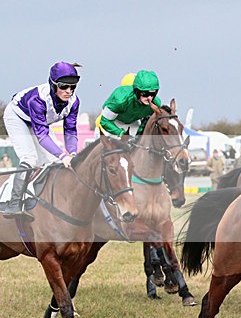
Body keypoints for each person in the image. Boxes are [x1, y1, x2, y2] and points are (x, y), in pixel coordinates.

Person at [3, 62, 81, 220]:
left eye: (73, 86)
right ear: (53, 85)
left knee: (53, 160)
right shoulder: (37, 100)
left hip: (38, 124)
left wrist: (72, 153)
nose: (69, 91)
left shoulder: (74, 102)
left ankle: (38, 199)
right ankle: (13, 203)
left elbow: (70, 130)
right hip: (17, 118)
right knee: (30, 158)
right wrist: (63, 156)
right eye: (64, 86)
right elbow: (42, 136)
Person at [98, 70, 162, 137]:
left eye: (152, 94)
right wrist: (120, 133)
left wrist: (139, 133)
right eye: (145, 94)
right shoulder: (120, 100)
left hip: (133, 123)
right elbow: (104, 121)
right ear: (137, 91)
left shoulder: (156, 104)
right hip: (112, 122)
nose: (149, 98)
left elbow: (147, 121)